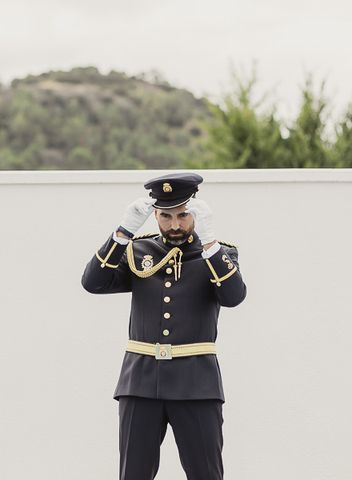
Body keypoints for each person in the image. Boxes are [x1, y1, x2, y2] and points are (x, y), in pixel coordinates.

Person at [81, 172, 247, 480]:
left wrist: (209, 243)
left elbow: (234, 296)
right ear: (154, 215)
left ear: (195, 210)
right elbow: (93, 283)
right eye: (165, 216)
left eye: (183, 215)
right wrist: (122, 232)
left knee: (206, 474)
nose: (174, 225)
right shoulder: (138, 252)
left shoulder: (218, 254)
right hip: (140, 382)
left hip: (197, 383)